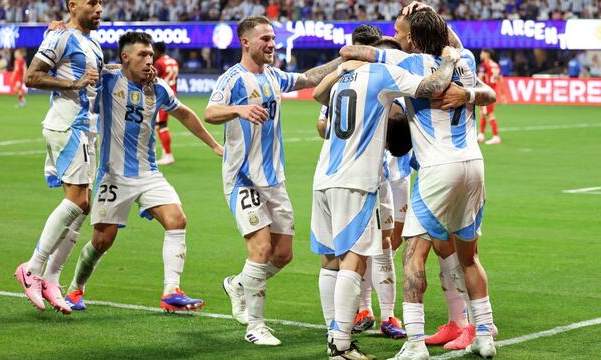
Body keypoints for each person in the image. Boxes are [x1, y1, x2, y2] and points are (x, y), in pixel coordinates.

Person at [312, 38, 462, 359]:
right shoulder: (383, 73)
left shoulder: (344, 77)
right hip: (356, 178)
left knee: (330, 259)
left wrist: (342, 68)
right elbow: (433, 85)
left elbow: (316, 94)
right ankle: (340, 345)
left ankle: (333, 332)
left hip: (323, 176)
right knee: (355, 259)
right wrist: (449, 60)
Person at [204, 15, 344, 347]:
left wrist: (345, 58)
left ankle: (239, 284)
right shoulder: (233, 78)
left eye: (273, 38)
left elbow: (309, 77)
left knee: (282, 255)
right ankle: (256, 325)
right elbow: (211, 112)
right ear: (246, 42)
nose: (272, 44)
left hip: (274, 179)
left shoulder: (273, 76)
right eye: (265, 38)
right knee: (261, 248)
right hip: (242, 178)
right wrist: (238, 110)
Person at [63, 31, 223, 312]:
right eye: (142, 55)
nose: (150, 60)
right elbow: (78, 67)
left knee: (177, 219)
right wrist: (61, 29)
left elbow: (184, 113)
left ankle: (171, 292)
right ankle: (76, 289)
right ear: (125, 57)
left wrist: (214, 145)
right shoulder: (108, 79)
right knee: (102, 240)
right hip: (113, 175)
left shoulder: (158, 87)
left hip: (148, 172)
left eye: (151, 55)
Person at [14, 0, 103, 315]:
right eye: (92, 2)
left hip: (85, 130)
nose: (99, 8)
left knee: (84, 205)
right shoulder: (61, 37)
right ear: (73, 5)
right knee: (77, 202)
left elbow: (96, 83)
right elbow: (32, 76)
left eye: (101, 2)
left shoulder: (92, 44)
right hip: (68, 126)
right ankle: (33, 267)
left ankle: (51, 279)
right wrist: (72, 83)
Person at [153, 41, 179, 166]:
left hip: (162, 96)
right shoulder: (173, 61)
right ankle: (165, 152)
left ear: (157, 50)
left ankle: (168, 155)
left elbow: (153, 79)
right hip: (172, 94)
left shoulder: (159, 63)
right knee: (161, 124)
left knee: (161, 125)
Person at [478, 49, 502, 145]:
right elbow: (499, 78)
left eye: (482, 52)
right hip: (492, 91)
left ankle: (496, 136)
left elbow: (480, 78)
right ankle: (481, 135)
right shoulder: (495, 65)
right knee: (483, 112)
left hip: (486, 91)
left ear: (486, 54)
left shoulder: (484, 65)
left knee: (489, 114)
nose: (480, 54)